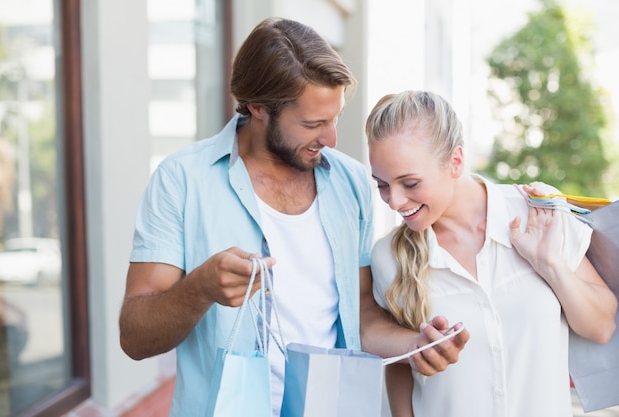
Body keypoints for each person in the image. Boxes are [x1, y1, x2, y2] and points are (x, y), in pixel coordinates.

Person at [119, 18, 468, 417]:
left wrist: (412, 347)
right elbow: (134, 336)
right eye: (313, 124)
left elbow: (361, 314)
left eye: (334, 118)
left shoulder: (351, 180)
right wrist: (199, 288)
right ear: (257, 107)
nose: (332, 139)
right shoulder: (182, 180)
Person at [365, 90, 617, 417]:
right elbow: (400, 369)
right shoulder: (389, 256)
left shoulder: (537, 214)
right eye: (382, 185)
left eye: (410, 183)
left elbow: (601, 327)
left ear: (455, 161)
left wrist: (549, 264)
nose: (395, 201)